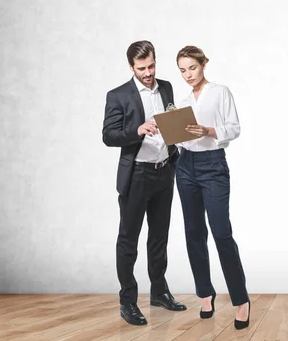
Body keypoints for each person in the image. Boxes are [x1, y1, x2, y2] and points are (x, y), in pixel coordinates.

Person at [102, 40, 187, 326]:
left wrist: (180, 130)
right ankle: (128, 302)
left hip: (165, 171)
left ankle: (159, 292)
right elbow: (109, 135)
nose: (148, 72)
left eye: (151, 66)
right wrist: (137, 129)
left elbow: (171, 122)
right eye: (142, 68)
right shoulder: (118, 95)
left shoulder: (166, 87)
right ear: (131, 67)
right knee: (128, 240)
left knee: (159, 238)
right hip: (136, 175)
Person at [174, 45, 251, 330]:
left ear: (203, 64)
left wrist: (208, 130)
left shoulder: (220, 92)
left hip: (213, 165)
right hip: (185, 166)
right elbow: (182, 137)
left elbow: (234, 127)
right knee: (194, 233)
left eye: (192, 68)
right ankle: (205, 294)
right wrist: (170, 133)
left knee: (221, 233)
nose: (188, 75)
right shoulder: (182, 99)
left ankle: (241, 300)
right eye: (182, 70)